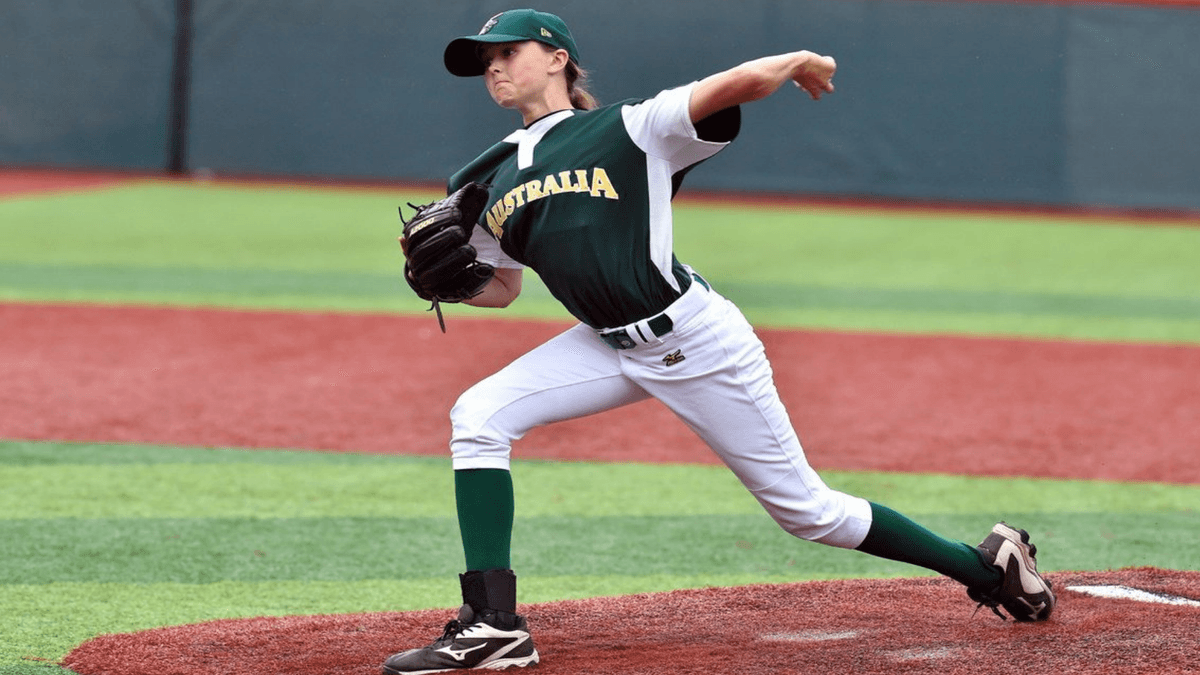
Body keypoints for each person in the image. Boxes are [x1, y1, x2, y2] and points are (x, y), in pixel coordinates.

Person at [382, 9, 1055, 674]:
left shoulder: (627, 128)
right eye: (484, 60)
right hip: (607, 344)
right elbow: (503, 289)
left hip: (696, 340)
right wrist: (444, 280)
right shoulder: (482, 178)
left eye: (508, 51)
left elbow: (731, 84)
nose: (494, 66)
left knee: (809, 513)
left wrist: (795, 62)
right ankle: (494, 625)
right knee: (479, 415)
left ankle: (988, 568)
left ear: (558, 59)